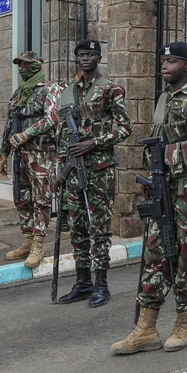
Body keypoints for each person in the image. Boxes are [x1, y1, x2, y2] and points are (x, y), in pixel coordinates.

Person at [112, 42, 187, 355]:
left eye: (171, 61)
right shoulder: (163, 100)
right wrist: (150, 179)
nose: (164, 66)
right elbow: (158, 145)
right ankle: (146, 328)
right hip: (164, 190)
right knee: (153, 256)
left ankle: (183, 322)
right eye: (163, 60)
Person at [51, 40, 132, 308]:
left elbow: (124, 128)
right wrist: (61, 171)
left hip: (99, 170)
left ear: (98, 58)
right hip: (73, 169)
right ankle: (82, 282)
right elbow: (63, 133)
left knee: (99, 229)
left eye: (90, 55)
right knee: (77, 229)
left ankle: (101, 285)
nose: (85, 59)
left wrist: (94, 142)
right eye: (81, 55)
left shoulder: (110, 89)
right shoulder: (68, 91)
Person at [0, 51, 59, 270]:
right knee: (22, 198)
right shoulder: (19, 93)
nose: (22, 68)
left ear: (36, 66)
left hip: (42, 153)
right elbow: (9, 123)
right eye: (20, 64)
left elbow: (52, 118)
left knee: (41, 199)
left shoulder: (50, 89)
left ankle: (39, 244)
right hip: (20, 155)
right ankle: (28, 240)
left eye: (26, 64)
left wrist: (26, 134)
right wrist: (3, 153)